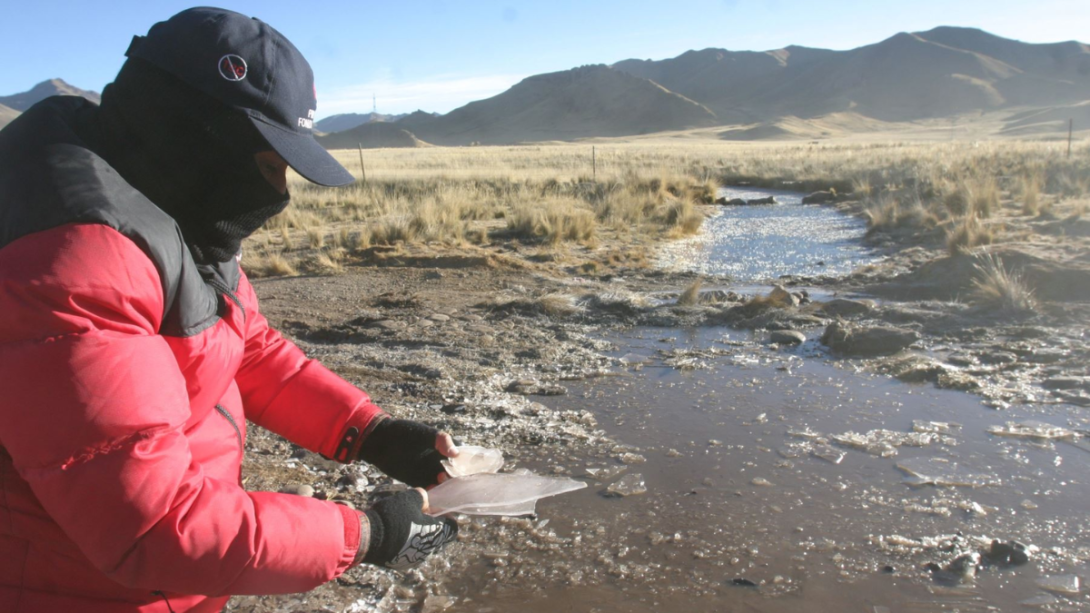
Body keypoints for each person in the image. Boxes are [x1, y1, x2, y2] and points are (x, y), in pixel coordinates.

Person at [0, 7, 459, 612]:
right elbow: (154, 526)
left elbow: (244, 345)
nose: (280, 195)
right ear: (198, 139)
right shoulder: (73, 266)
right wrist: (366, 534)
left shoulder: (164, 212)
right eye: (270, 166)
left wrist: (367, 432)